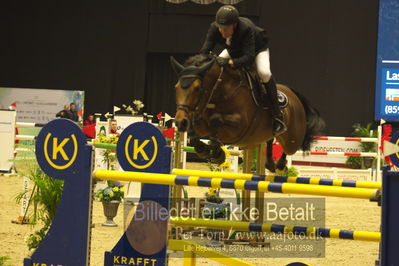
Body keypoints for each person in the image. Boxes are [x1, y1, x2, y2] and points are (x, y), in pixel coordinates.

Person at [199, 5, 286, 136]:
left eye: (225, 28)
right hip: (233, 50)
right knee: (213, 69)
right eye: (220, 28)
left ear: (234, 25)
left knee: (264, 73)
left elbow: (248, 56)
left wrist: (230, 62)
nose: (222, 32)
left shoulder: (246, 29)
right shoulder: (215, 28)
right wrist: (201, 64)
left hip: (257, 50)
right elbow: (205, 51)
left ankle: (277, 115)